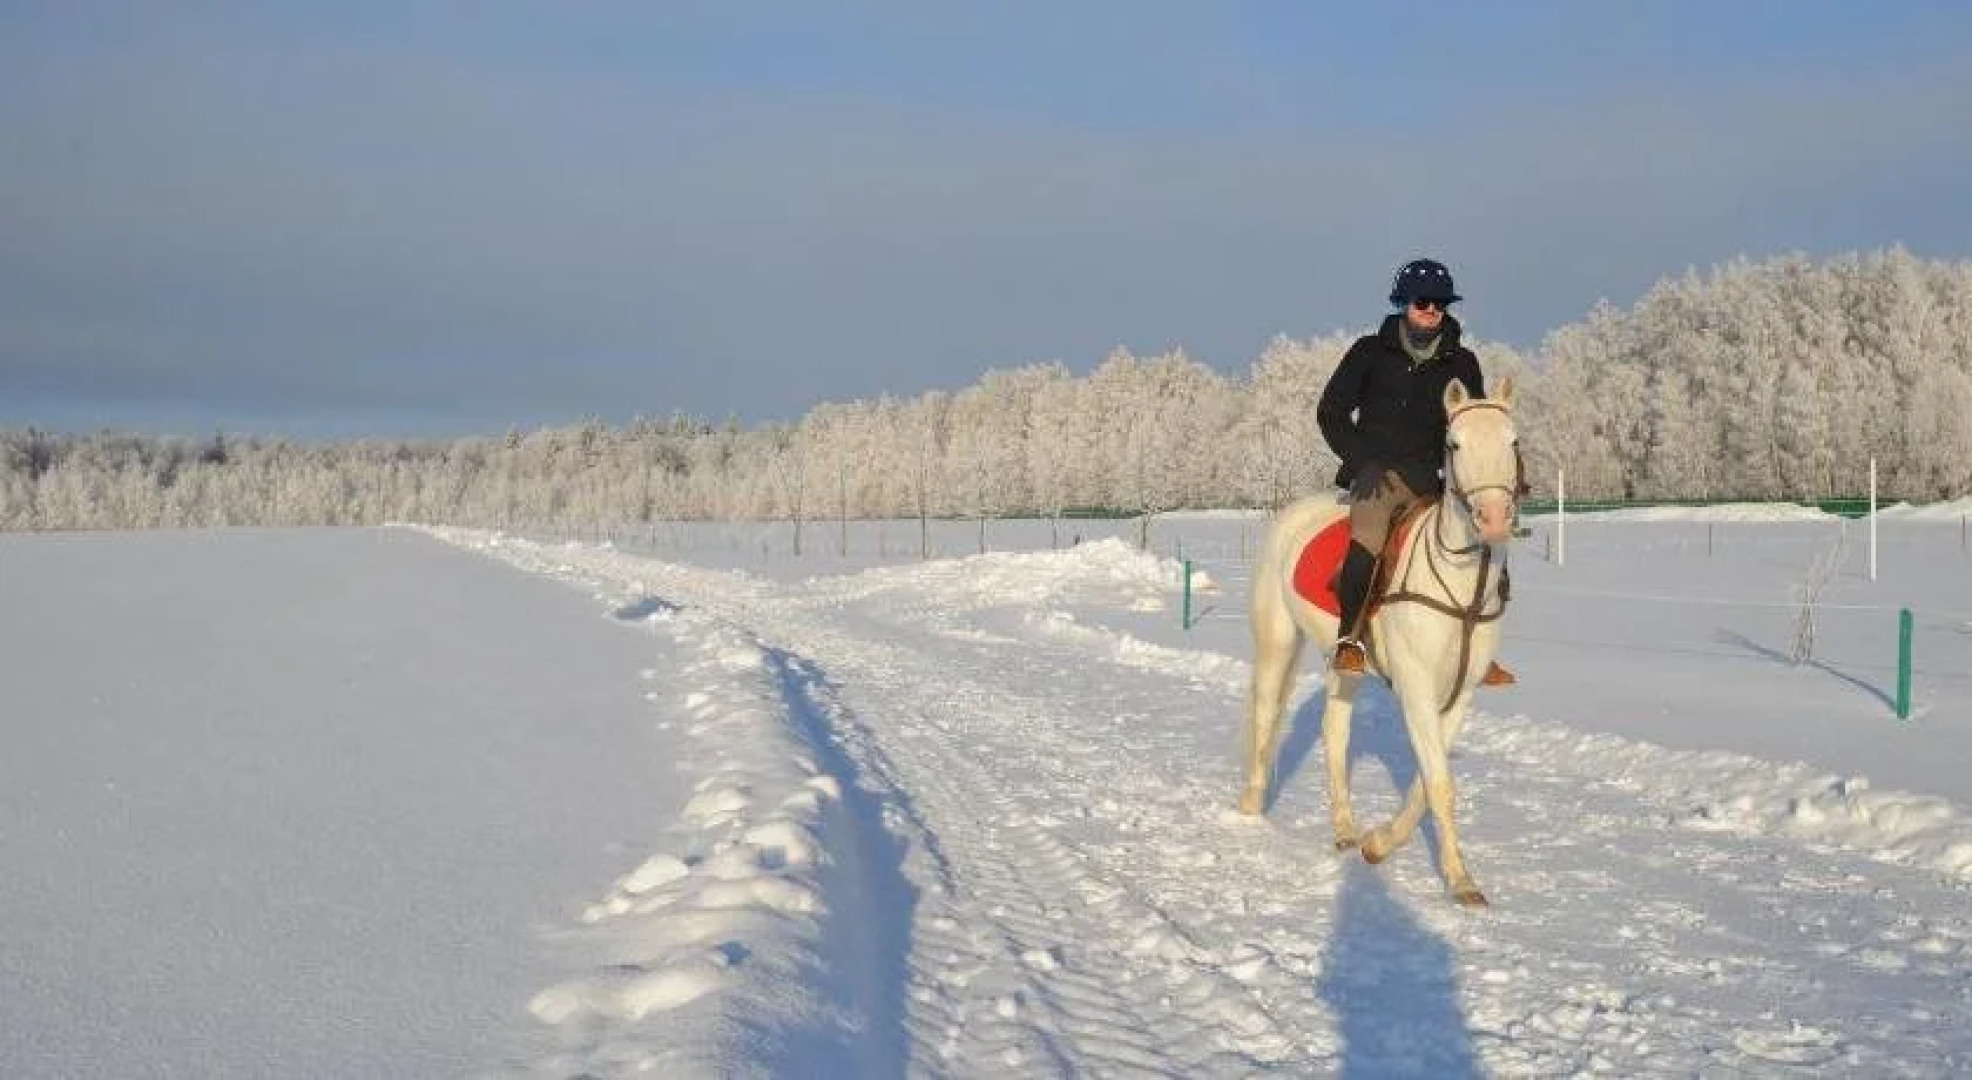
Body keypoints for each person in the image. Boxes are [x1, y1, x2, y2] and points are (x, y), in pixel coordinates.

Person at [1316, 258, 1515, 682]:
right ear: (1404, 302)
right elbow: (1331, 412)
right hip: (1378, 479)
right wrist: (1359, 461)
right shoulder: (1368, 352)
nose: (1432, 309)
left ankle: (1480, 652)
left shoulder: (1463, 361)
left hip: (1434, 479)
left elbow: (1473, 425)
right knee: (1367, 544)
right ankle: (1349, 640)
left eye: (1441, 303)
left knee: (1489, 547)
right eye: (1423, 301)